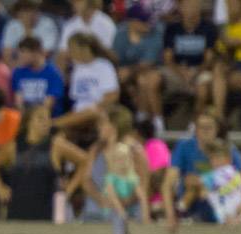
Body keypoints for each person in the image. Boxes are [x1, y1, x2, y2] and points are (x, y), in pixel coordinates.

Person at [0, 104, 89, 220]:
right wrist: (0, 188)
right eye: (40, 118)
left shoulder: (56, 144)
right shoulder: (14, 147)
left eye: (48, 118)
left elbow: (85, 161)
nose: (46, 122)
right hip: (17, 210)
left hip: (48, 212)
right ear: (28, 122)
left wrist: (70, 189)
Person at [163, 111, 241, 229]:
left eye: (209, 127)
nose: (205, 131)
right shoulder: (184, 146)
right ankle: (181, 213)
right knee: (193, 186)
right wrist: (170, 215)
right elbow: (168, 183)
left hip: (223, 199)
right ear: (195, 129)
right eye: (201, 127)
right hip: (198, 201)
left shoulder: (227, 149)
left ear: (217, 129)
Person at [162, 0, 218, 118]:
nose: (191, 9)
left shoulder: (209, 28)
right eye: (187, 6)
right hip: (176, 70)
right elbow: (167, 58)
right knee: (150, 80)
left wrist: (195, 73)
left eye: (194, 5)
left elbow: (209, 59)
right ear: (180, 8)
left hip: (200, 70)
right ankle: (157, 122)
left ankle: (195, 124)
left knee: (202, 89)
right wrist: (181, 72)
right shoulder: (172, 28)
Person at [113, 4, 164, 135]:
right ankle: (142, 121)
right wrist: (123, 73)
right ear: (132, 22)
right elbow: (116, 59)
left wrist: (129, 71)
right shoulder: (120, 34)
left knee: (145, 80)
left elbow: (147, 64)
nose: (147, 23)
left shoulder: (155, 33)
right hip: (130, 74)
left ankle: (157, 123)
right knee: (132, 81)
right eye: (143, 20)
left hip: (155, 71)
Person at [54, 33, 119, 132]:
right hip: (78, 110)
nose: (69, 53)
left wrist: (95, 108)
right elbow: (75, 97)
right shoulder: (77, 68)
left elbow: (112, 96)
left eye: (72, 49)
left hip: (97, 110)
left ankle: (54, 124)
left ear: (84, 49)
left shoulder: (104, 66)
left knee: (91, 112)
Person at [11, 36, 65, 116]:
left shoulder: (54, 74)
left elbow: (48, 105)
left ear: (36, 52)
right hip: (25, 118)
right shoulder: (18, 72)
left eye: (23, 52)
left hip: (48, 118)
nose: (20, 56)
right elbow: (18, 102)